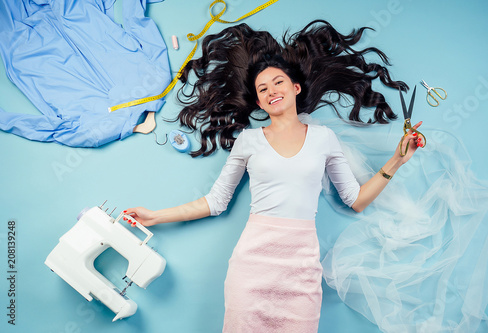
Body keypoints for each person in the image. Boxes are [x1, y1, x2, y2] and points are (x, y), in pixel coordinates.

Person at [124, 20, 423, 332]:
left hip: (302, 268)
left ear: (295, 88)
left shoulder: (323, 139)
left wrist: (397, 161)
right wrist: (154, 217)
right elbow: (215, 202)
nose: (271, 91)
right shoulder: (248, 141)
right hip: (252, 265)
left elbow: (356, 200)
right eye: (263, 89)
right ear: (258, 102)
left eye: (278, 82)